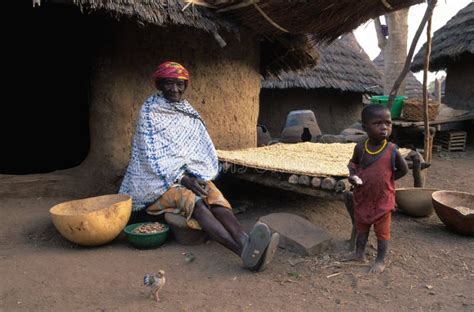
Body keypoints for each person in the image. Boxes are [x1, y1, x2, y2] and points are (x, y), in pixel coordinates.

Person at [119, 61, 279, 271]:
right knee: (196, 202)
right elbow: (152, 158)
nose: (174, 89)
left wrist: (196, 174)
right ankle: (242, 252)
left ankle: (245, 240)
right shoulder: (150, 112)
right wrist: (183, 179)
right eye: (168, 83)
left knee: (213, 195)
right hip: (156, 182)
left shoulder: (188, 111)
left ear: (186, 85)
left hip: (188, 175)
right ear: (159, 85)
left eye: (180, 84)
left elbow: (197, 147)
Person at [345, 104, 408, 273]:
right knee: (362, 228)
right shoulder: (360, 148)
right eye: (378, 123)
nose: (384, 127)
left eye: (388, 123)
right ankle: (359, 253)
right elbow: (353, 164)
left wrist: (389, 180)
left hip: (383, 199)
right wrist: (352, 176)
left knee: (382, 233)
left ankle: (380, 260)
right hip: (363, 196)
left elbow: (404, 170)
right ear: (365, 127)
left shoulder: (392, 150)